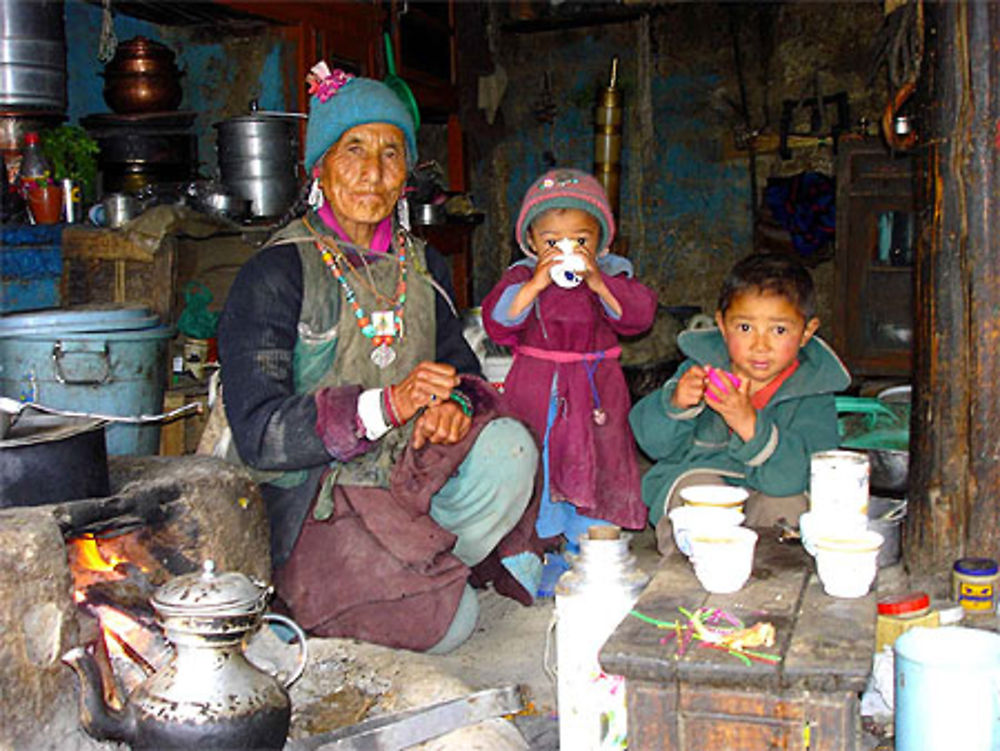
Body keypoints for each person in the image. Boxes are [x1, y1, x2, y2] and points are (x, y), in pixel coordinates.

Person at [209, 62, 543, 653]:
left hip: (405, 476)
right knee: (454, 624)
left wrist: (454, 407)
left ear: (406, 175)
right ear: (321, 168)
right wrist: (386, 405)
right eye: (353, 149)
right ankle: (375, 584)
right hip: (317, 499)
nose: (371, 172)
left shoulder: (424, 267)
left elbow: (462, 371)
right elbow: (260, 433)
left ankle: (415, 571)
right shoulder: (276, 273)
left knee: (511, 448)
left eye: (391, 153)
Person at [481, 168, 658, 562]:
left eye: (580, 240)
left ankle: (590, 545)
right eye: (551, 241)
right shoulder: (522, 275)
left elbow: (639, 316)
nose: (566, 249)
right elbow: (498, 320)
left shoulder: (612, 273)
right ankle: (544, 546)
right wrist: (534, 286)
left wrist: (598, 282)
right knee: (542, 461)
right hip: (539, 389)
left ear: (602, 241)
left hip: (596, 392)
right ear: (530, 241)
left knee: (597, 461)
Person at [629, 252, 850, 555]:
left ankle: (771, 582)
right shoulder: (702, 372)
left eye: (779, 330)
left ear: (806, 332)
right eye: (745, 328)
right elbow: (653, 445)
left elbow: (798, 477)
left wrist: (749, 424)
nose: (760, 345)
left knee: (790, 504)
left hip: (770, 496)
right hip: (709, 486)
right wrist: (676, 404)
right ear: (722, 325)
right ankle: (693, 577)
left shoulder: (813, 394)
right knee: (696, 494)